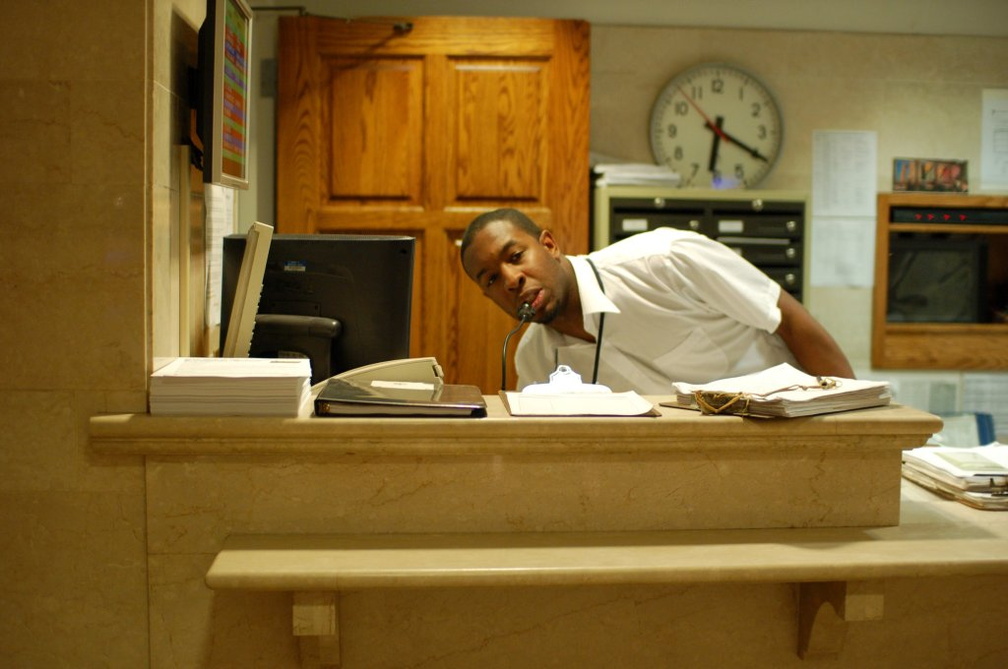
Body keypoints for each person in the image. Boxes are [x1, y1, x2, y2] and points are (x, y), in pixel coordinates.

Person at [459, 207, 855, 394]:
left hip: (789, 435)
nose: (511, 280)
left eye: (515, 257)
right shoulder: (533, 360)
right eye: (492, 279)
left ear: (550, 245)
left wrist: (857, 427)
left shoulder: (665, 259)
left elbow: (787, 318)